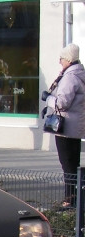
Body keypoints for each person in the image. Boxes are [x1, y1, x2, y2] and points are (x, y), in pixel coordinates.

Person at [44, 42, 85, 207]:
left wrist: (48, 98)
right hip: (76, 127)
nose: (59, 61)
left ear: (68, 59)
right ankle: (76, 198)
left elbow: (62, 103)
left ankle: (70, 200)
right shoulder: (80, 74)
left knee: (67, 165)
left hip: (65, 128)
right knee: (74, 164)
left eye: (61, 58)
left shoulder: (69, 77)